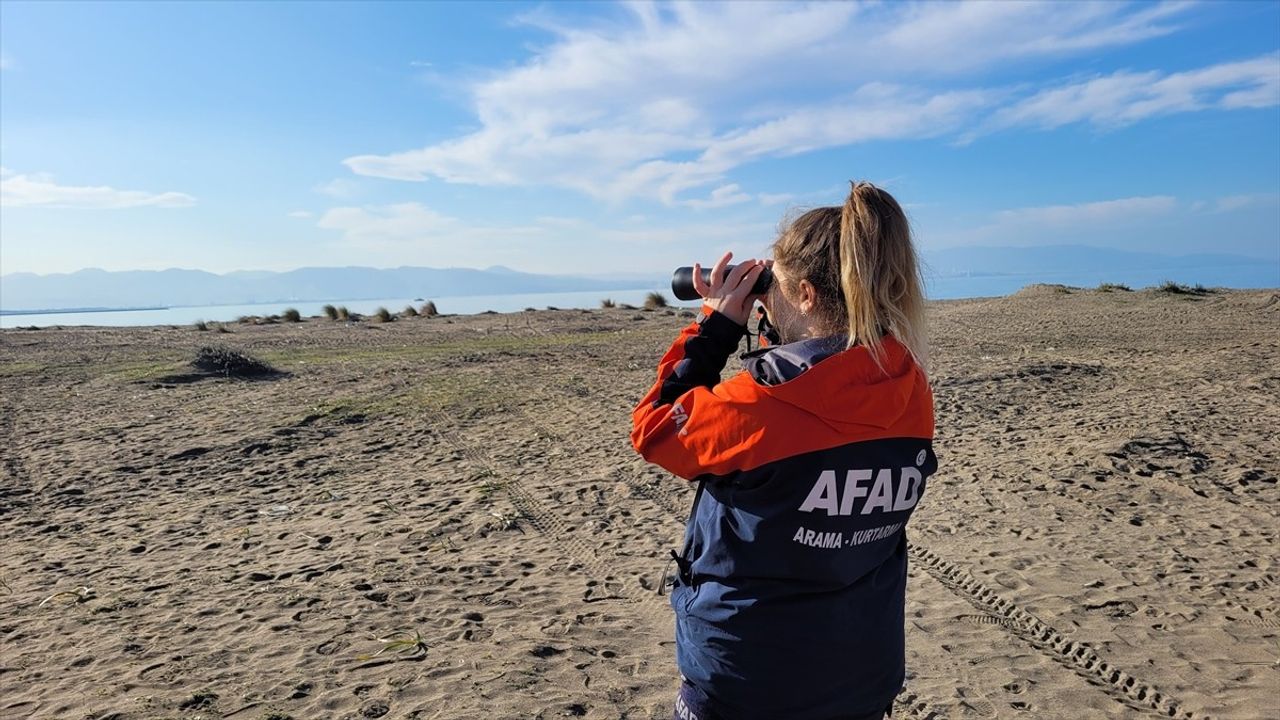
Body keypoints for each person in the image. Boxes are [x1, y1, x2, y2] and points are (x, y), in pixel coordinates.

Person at [631, 181, 936, 720]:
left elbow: (656, 431)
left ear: (805, 294)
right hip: (861, 670)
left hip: (749, 677)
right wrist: (779, 330)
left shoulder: (759, 404)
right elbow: (828, 382)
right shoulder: (909, 388)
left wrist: (717, 325)